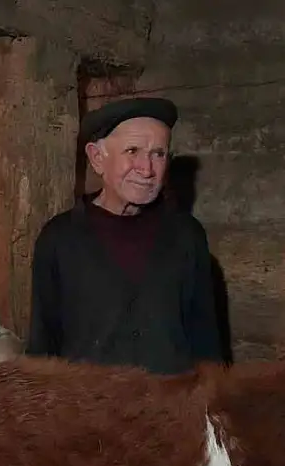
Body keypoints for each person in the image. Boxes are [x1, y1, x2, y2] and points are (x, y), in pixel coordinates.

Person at [25, 97, 225, 375]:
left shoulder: (186, 235)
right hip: (89, 410)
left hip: (171, 409)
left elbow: (207, 343)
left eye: (159, 154)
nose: (147, 169)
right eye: (133, 151)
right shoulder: (58, 239)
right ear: (97, 158)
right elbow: (43, 346)